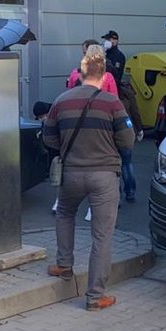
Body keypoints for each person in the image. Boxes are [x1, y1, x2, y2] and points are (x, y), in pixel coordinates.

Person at [43, 45, 135, 311]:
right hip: (104, 177)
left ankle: (64, 265)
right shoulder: (112, 103)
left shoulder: (61, 100)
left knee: (64, 214)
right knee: (102, 235)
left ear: (80, 74)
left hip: (71, 173)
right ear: (103, 74)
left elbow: (49, 138)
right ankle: (95, 296)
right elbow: (127, 141)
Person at [55, 39, 118, 219]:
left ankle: (58, 201)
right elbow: (115, 100)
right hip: (101, 132)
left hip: (75, 138)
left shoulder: (75, 75)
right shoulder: (109, 78)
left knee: (65, 213)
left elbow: (67, 94)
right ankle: (94, 208)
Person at [116, 74, 144, 203]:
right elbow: (135, 112)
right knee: (127, 162)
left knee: (113, 165)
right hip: (127, 131)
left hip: (112, 133)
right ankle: (130, 191)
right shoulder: (127, 92)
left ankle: (117, 195)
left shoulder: (104, 94)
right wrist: (139, 129)